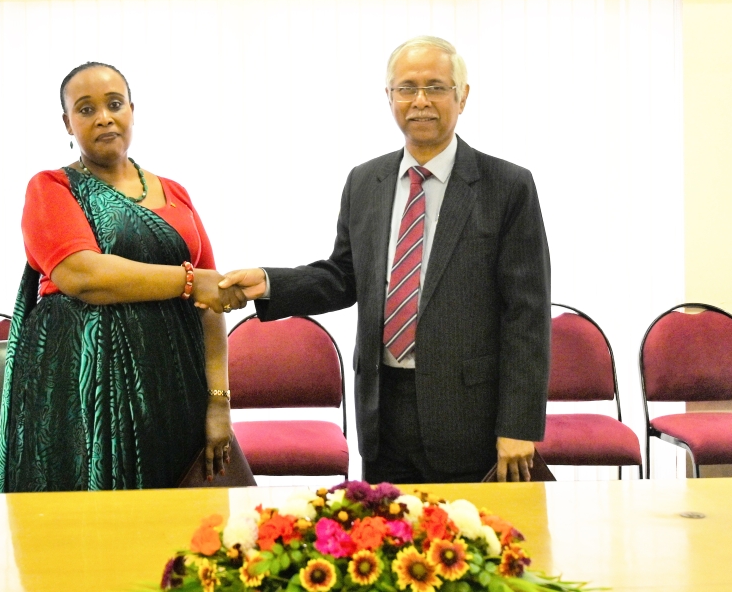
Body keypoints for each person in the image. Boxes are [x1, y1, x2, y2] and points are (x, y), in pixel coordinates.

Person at [221, 37, 551, 483]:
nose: (420, 101)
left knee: (466, 530)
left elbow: (527, 315)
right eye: (406, 88)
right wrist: (268, 282)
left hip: (470, 416)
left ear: (462, 96)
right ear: (389, 97)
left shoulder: (507, 186)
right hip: (383, 412)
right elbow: (344, 277)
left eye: (436, 87)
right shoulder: (365, 181)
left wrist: (519, 426)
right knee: (387, 527)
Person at [0, 62, 246, 492]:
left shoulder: (175, 193)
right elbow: (83, 275)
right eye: (86, 109)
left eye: (114, 104)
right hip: (80, 394)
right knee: (86, 521)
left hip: (174, 388)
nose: (104, 118)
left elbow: (211, 302)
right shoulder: (51, 187)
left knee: (177, 522)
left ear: (132, 110)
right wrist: (189, 281)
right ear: (67, 123)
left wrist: (219, 403)